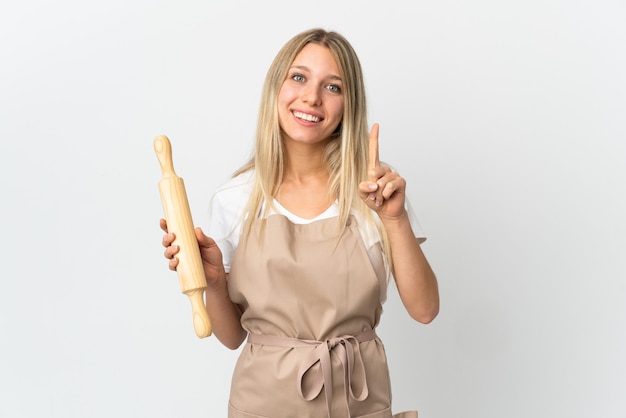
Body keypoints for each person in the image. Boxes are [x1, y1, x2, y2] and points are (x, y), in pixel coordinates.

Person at [160, 28, 439, 418]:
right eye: (299, 77)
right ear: (277, 88)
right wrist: (215, 284)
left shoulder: (376, 191)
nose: (312, 97)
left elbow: (425, 310)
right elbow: (231, 336)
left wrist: (395, 219)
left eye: (333, 87)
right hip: (262, 404)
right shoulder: (237, 199)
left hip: (358, 403)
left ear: (348, 104)